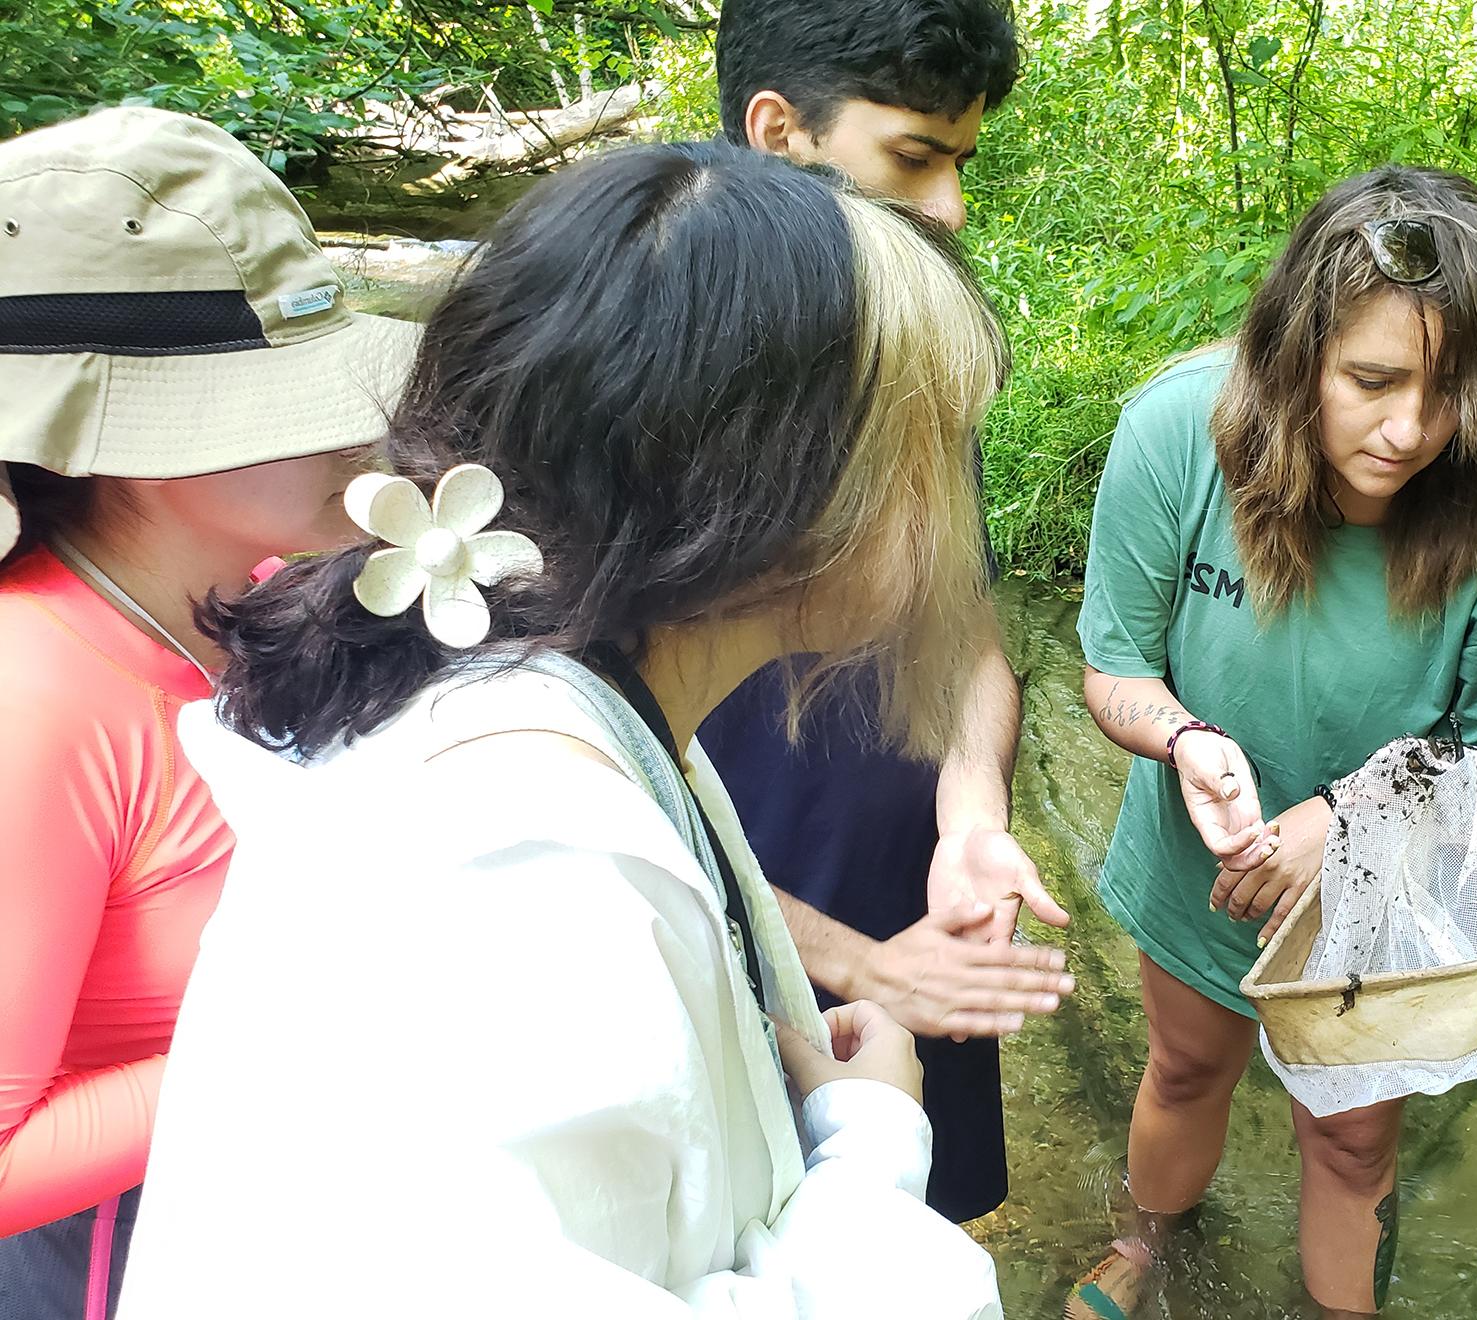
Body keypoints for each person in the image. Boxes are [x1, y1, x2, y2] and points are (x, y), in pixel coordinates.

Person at [116, 142, 1014, 1317]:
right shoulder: (524, 875)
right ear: (771, 499)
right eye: (932, 443)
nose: (956, 498)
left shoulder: (562, 708)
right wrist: (871, 1142)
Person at [1071, 165, 1477, 1318]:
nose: (1408, 431)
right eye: (1371, 380)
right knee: (1187, 1065)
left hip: (1383, 899)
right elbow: (1114, 669)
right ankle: (1142, 1242)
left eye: (1450, 395)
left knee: (1349, 1148)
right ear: (1296, 349)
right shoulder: (1175, 434)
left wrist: (1351, 815)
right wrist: (1186, 740)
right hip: (1206, 866)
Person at [0, 106, 418, 1318]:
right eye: (297, 393)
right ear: (138, 440)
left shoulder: (260, 597)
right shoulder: (40, 701)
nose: (364, 428)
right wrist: (320, 1039)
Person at [704, 0, 1067, 1224]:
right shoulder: (649, 387)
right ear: (778, 132)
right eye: (914, 156)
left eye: (959, 161)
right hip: (739, 942)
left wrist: (968, 814)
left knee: (909, 1225)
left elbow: (961, 624)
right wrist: (863, 967)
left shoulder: (917, 347)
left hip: (922, 904)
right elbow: (607, 773)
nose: (950, 208)